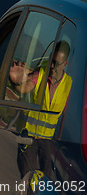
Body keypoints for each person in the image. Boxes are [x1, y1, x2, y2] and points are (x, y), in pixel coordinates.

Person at [8, 40, 72, 185]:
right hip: (30, 136)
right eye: (51, 61)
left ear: (65, 64)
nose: (52, 66)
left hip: (50, 142)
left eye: (56, 63)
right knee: (28, 179)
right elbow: (24, 88)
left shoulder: (69, 84)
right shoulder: (41, 72)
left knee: (48, 183)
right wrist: (16, 81)